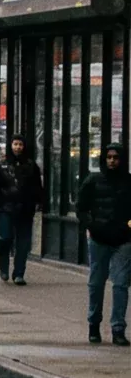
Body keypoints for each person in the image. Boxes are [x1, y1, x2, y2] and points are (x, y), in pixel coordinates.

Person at [83, 142, 131, 346]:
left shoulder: (128, 182)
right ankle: (94, 324)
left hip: (123, 240)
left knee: (120, 284)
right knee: (96, 283)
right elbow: (81, 207)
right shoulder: (93, 180)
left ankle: (118, 328)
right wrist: (91, 225)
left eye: (116, 158)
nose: (112, 161)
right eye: (109, 157)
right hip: (99, 238)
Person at [0, 137, 46, 285]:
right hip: (6, 208)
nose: (18, 147)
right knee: (5, 238)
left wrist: (37, 202)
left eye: (20, 144)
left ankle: (19, 273)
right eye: (15, 144)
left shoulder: (31, 166)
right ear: (10, 146)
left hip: (25, 208)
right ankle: (4, 265)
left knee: (23, 243)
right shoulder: (1, 165)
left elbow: (37, 186)